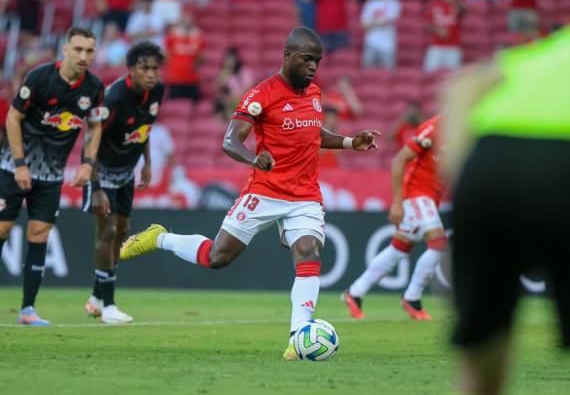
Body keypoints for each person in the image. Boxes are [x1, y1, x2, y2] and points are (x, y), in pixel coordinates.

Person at [119, 27, 380, 358]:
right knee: (217, 257)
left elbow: (313, 132)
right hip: (265, 191)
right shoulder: (262, 95)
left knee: (309, 251)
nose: (313, 67)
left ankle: (298, 337)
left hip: (304, 196)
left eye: (317, 61)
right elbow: (230, 140)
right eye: (307, 59)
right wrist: (254, 159)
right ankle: (160, 238)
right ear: (288, 56)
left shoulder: (314, 93)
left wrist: (350, 142)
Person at [442, 26, 570, 395]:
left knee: (482, 367)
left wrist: (464, 186)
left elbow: (461, 87)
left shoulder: (539, 54)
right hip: (562, 165)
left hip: (489, 166)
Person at [0, 27, 104, 326]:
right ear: (65, 50)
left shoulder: (94, 88)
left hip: (51, 174)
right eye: (78, 49)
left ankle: (27, 310)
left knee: (39, 235)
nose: (84, 56)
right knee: (2, 229)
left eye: (89, 51)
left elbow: (95, 126)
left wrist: (87, 164)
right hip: (12, 168)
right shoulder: (40, 78)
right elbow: (13, 117)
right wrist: (20, 163)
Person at [82, 41, 165, 324]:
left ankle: (96, 296)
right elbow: (91, 138)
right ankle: (108, 306)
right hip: (102, 171)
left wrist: (147, 163)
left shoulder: (157, 91)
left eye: (155, 68)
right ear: (130, 69)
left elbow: (144, 129)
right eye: (144, 68)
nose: (151, 74)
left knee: (123, 231)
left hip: (127, 172)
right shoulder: (114, 98)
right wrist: (95, 187)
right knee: (106, 232)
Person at [343, 114, 447, 321]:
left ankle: (355, 292)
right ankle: (412, 298)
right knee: (438, 245)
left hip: (430, 198)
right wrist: (398, 203)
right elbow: (399, 159)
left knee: (399, 248)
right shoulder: (435, 127)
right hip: (417, 195)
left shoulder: (465, 133)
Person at [424, 0, 464, 72]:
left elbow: (464, 10)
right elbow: (427, 26)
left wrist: (455, 1)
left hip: (453, 47)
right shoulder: (434, 4)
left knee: (454, 76)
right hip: (437, 46)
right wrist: (437, 30)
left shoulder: (457, 4)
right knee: (428, 73)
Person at [164, 13, 205, 102]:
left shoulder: (199, 36)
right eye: (185, 20)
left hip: (192, 78)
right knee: (173, 104)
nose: (187, 22)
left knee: (194, 104)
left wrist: (197, 63)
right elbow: (166, 54)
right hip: (175, 78)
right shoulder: (172, 35)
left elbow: (203, 55)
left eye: (189, 20)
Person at [360, 0, 401, 68]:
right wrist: (379, 21)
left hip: (388, 46)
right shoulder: (370, 3)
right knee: (367, 73)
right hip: (370, 44)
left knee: (389, 74)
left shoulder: (394, 2)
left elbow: (387, 21)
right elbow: (363, 25)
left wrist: (372, 22)